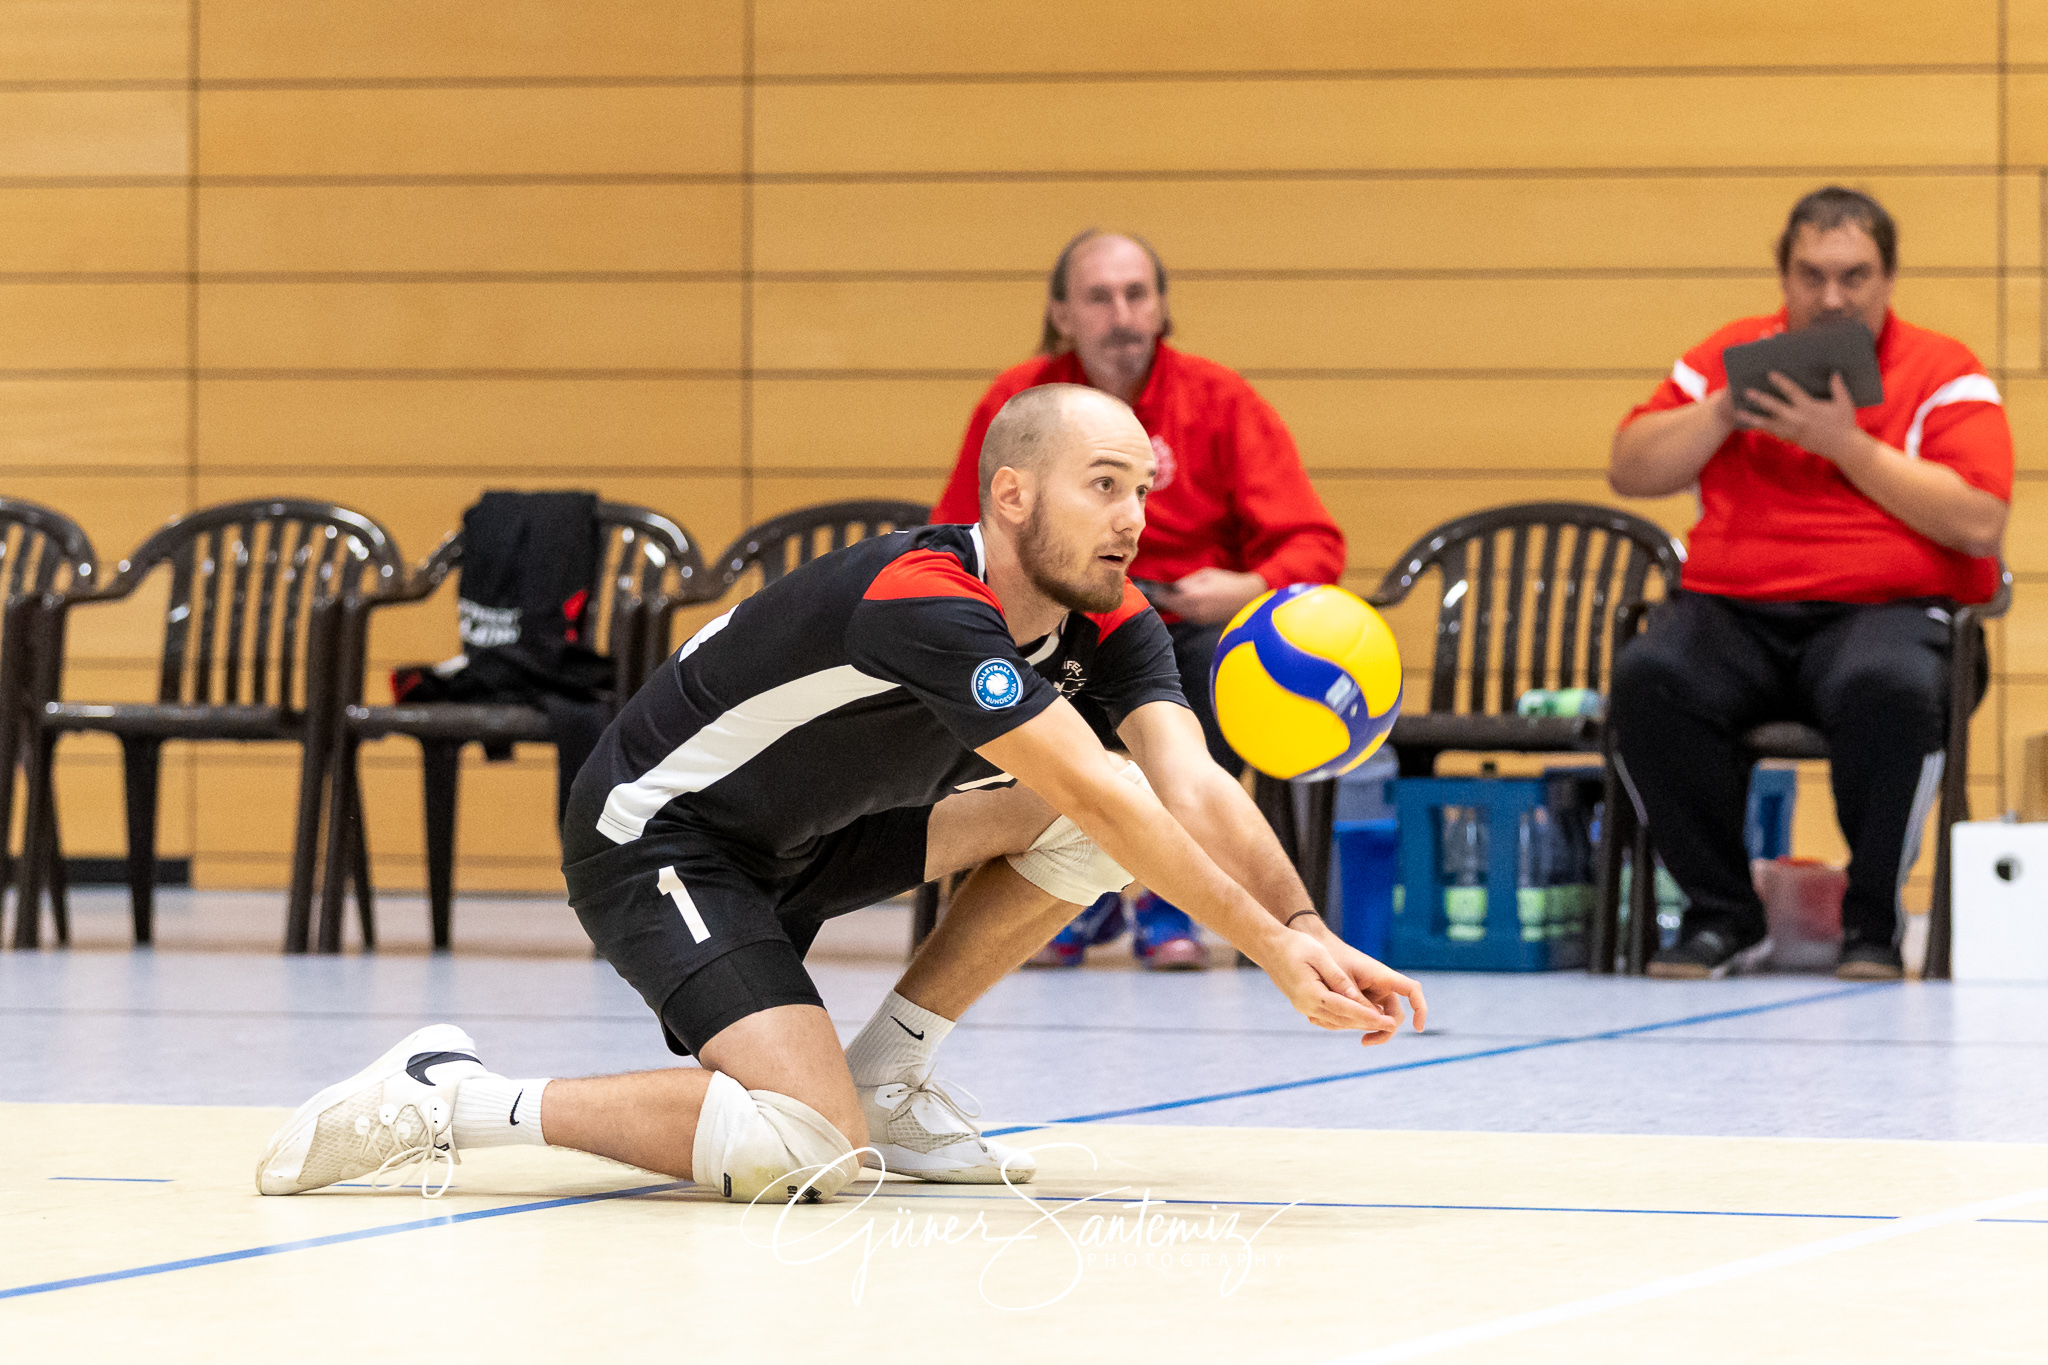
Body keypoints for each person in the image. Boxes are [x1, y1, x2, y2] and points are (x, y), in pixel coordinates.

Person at [255, 384, 1426, 1206]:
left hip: (816, 835)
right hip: (665, 840)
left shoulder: (1112, 619)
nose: (1132, 516)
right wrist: (1270, 955)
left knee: (1106, 805)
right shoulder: (924, 599)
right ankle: (448, 1096)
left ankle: (891, 1070)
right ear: (1011, 496)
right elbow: (1112, 805)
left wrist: (1306, 924)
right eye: (1103, 484)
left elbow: (1186, 787)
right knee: (807, 1151)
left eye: (1142, 488)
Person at [1608, 186, 2012, 982]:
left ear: (1888, 280)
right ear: (1784, 277)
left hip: (1886, 614)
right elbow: (1630, 466)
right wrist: (1724, 408)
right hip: (1734, 611)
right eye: (1812, 276)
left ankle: (1871, 924)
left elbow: (1978, 520)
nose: (1832, 297)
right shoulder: (1724, 357)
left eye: (1854, 276)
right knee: (1650, 677)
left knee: (1888, 687)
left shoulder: (1944, 370)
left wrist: (1846, 445)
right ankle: (1723, 916)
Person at [932, 229, 1346, 970]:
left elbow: (1315, 542)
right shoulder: (1019, 402)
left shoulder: (1220, 400)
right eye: (1099, 297)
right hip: (1052, 617)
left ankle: (1168, 896)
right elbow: (959, 531)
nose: (1121, 314)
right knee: (999, 677)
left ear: (1161, 309)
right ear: (1062, 314)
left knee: (1205, 676)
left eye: (1136, 294)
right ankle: (1060, 890)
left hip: (1185, 623)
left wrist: (1246, 587)